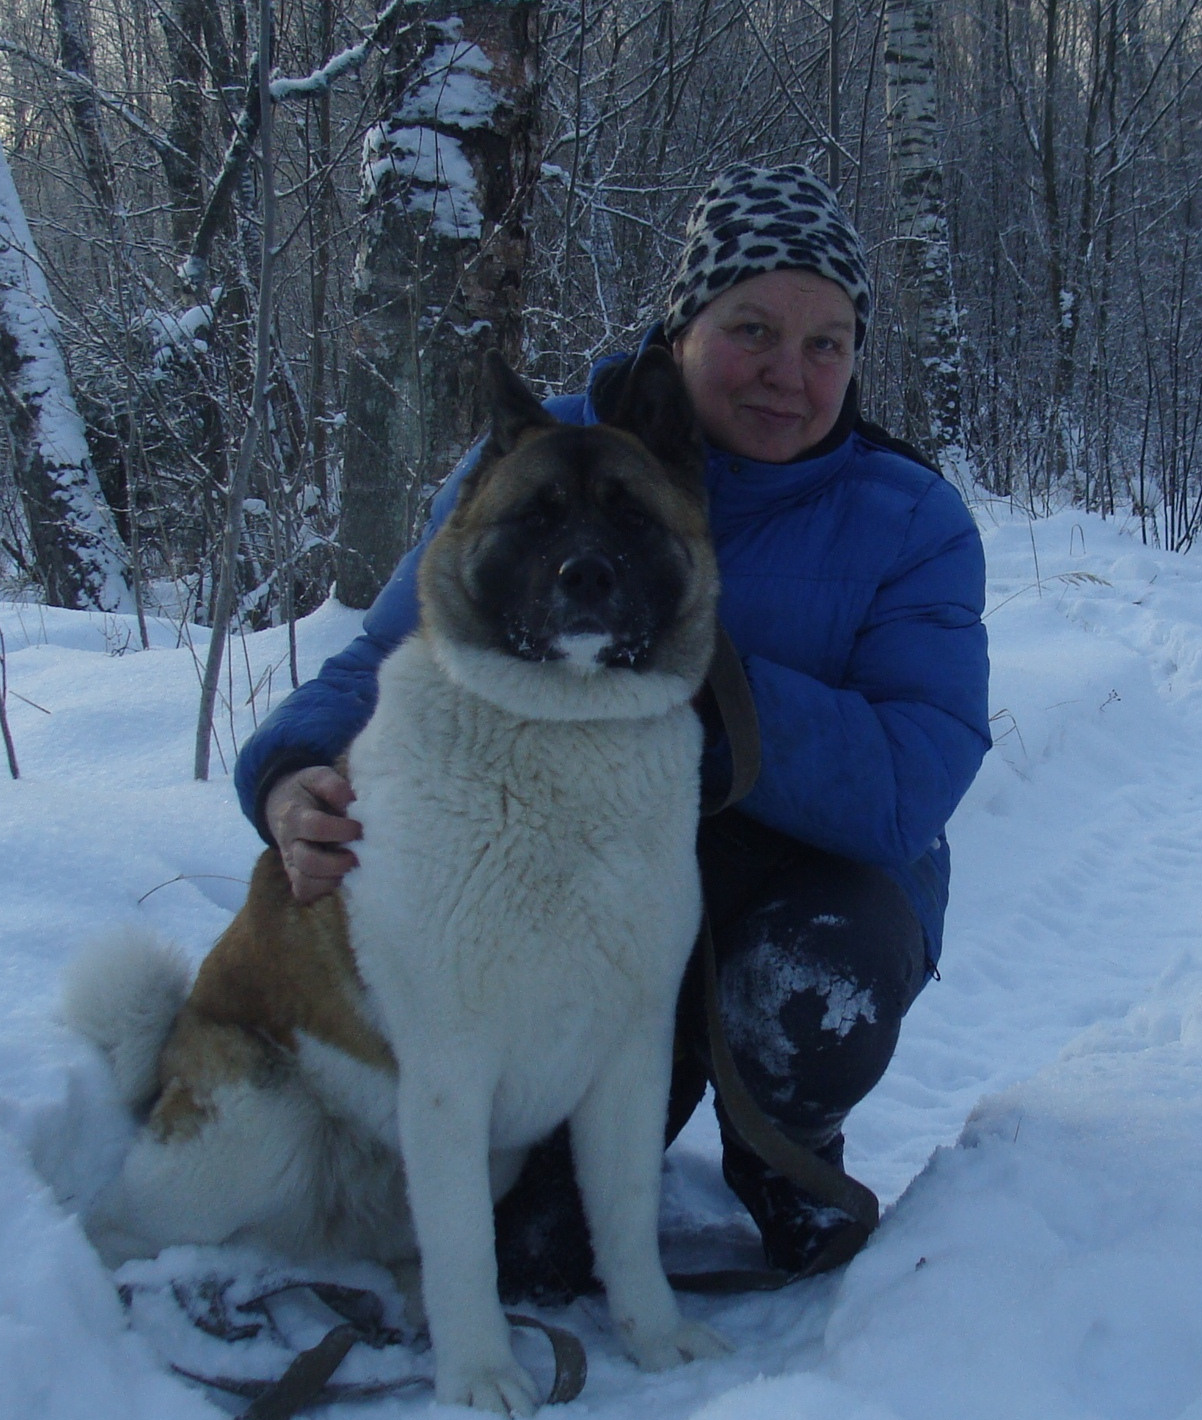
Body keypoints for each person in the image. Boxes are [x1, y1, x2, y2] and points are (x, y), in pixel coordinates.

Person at [234, 162, 991, 1291]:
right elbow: (396, 649)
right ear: (681, 326)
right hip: (566, 879)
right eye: (752, 329)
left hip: (806, 874)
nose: (790, 375)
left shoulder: (908, 518)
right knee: (539, 1258)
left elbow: (908, 785)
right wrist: (294, 769)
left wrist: (703, 682)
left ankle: (784, 1151)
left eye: (827, 342)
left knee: (811, 982)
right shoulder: (544, 459)